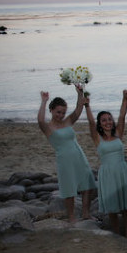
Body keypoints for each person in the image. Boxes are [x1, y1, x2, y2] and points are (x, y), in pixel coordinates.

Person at [37, 86, 96, 223]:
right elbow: (40, 120)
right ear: (51, 110)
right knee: (69, 189)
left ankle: (86, 213)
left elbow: (78, 109)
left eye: (63, 112)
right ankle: (71, 217)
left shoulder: (67, 122)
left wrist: (80, 93)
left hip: (78, 156)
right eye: (58, 112)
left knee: (87, 184)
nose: (61, 115)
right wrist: (44, 101)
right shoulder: (48, 128)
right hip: (64, 160)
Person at [84, 90, 127, 237]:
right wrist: (87, 106)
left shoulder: (118, 133)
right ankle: (116, 233)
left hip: (122, 170)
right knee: (113, 207)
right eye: (104, 120)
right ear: (100, 124)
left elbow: (122, 116)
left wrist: (125, 98)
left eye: (109, 119)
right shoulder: (97, 138)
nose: (108, 122)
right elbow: (90, 122)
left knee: (126, 207)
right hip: (107, 173)